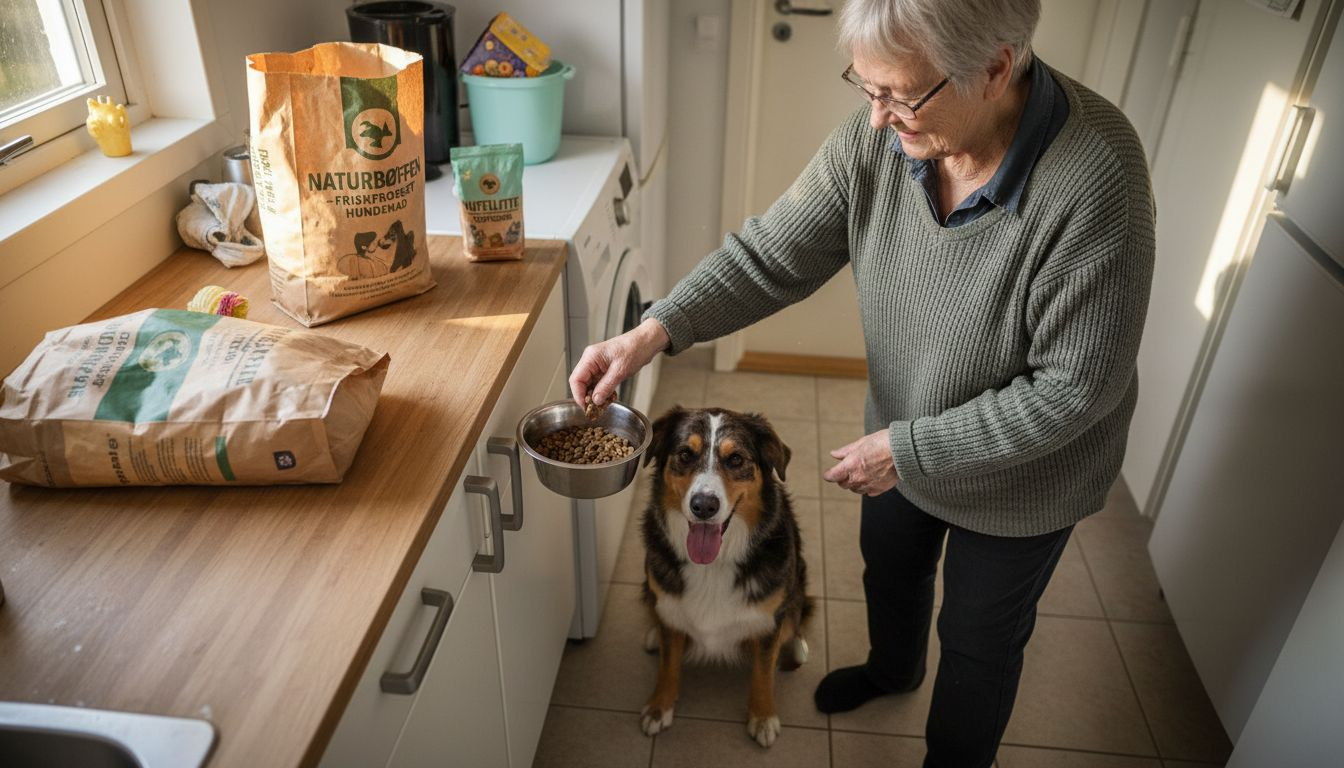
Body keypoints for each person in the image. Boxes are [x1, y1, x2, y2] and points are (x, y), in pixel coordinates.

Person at [569, 0, 1154, 764]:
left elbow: (1073, 393)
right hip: (905, 433)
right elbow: (770, 255)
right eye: (865, 89)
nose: (878, 120)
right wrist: (656, 328)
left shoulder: (1096, 181)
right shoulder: (882, 140)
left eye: (900, 96)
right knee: (892, 567)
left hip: (1025, 476)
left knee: (979, 640)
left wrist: (905, 451)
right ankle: (892, 668)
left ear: (996, 68)